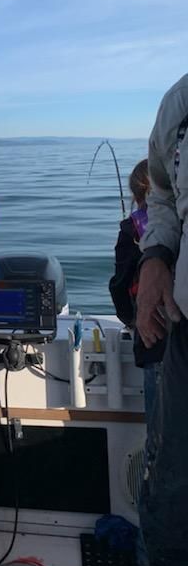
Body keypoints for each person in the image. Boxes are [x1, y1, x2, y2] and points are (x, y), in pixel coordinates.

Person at [136, 74, 188, 566]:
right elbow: (165, 197)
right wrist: (155, 258)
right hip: (184, 339)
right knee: (170, 501)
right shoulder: (180, 102)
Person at [109, 159, 165, 432]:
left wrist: (130, 320)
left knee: (161, 434)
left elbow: (120, 285)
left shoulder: (131, 229)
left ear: (135, 195)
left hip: (154, 341)